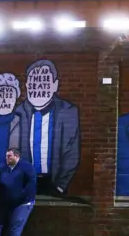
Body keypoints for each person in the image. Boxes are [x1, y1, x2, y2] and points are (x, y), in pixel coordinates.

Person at [16, 59, 80, 196]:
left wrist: (60, 186)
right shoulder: (17, 113)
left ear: (55, 85)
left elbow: (72, 152)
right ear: (27, 85)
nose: (38, 87)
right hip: (24, 185)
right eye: (33, 82)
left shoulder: (68, 111)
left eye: (45, 82)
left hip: (55, 186)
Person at [0, 147, 36, 236]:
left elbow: (30, 186)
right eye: (6, 156)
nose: (7, 158)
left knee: (14, 230)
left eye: (9, 156)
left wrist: (18, 197)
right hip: (6, 203)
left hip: (22, 204)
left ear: (16, 156)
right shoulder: (4, 169)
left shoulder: (27, 167)